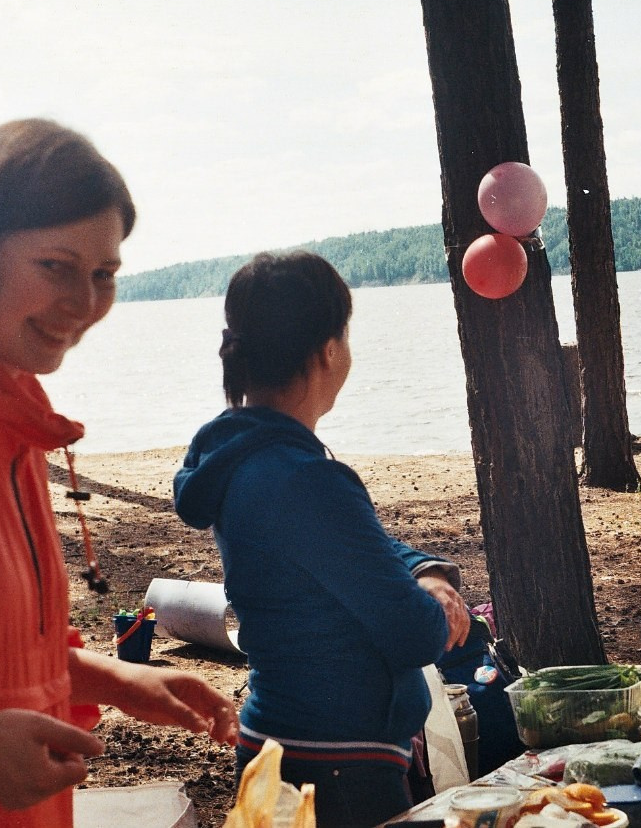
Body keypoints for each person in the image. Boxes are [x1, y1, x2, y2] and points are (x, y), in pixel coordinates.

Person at [0, 119, 239, 826]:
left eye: (103, 275)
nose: (85, 303)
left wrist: (120, 678)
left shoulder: (6, 416)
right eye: (55, 267)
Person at [173, 250, 471, 827]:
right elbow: (412, 634)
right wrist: (433, 604)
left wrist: (424, 570)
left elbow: (359, 552)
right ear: (328, 351)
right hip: (335, 772)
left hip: (283, 744)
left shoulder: (247, 456)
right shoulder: (303, 478)